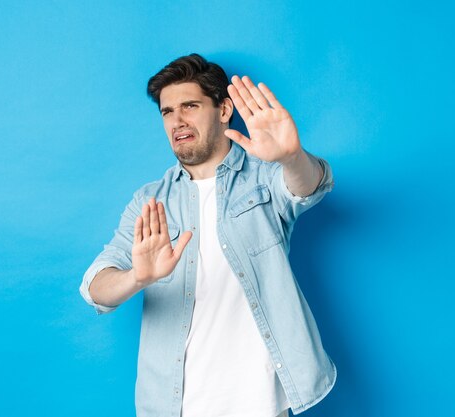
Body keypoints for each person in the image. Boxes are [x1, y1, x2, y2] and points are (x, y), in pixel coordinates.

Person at [80, 53, 336, 417]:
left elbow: (310, 186)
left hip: (261, 402)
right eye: (167, 112)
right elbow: (95, 287)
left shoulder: (263, 176)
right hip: (175, 405)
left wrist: (292, 157)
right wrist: (137, 277)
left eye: (190, 105)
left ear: (223, 110)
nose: (177, 120)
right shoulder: (150, 202)